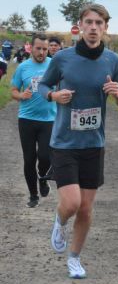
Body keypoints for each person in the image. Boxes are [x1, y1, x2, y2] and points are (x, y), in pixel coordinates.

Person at [38, 3, 118, 279]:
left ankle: (74, 259)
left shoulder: (113, 61)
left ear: (105, 28)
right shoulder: (62, 58)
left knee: (86, 209)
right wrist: (54, 96)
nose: (93, 27)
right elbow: (43, 85)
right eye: (88, 22)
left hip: (93, 144)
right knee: (72, 204)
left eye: (98, 23)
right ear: (79, 26)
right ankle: (60, 220)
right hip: (64, 143)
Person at [10, 33, 56, 208]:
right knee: (29, 159)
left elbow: (63, 85)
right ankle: (33, 195)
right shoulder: (23, 67)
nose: (42, 52)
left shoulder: (54, 65)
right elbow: (13, 91)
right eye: (38, 48)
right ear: (31, 48)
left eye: (45, 49)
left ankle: (43, 179)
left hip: (49, 119)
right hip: (27, 119)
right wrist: (21, 95)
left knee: (45, 156)